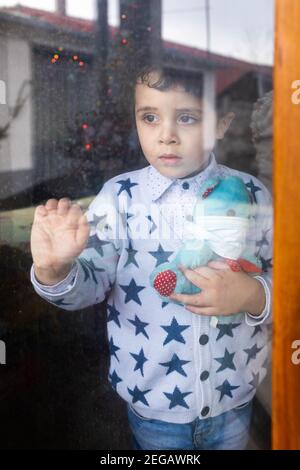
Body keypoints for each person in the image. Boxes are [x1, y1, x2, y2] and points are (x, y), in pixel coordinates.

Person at [30, 65, 272, 450]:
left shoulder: (252, 193)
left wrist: (253, 296)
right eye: (150, 117)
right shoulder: (120, 197)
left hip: (235, 401)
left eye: (188, 117)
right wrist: (55, 269)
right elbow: (89, 287)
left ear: (221, 125)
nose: (167, 135)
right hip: (154, 410)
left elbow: (287, 279)